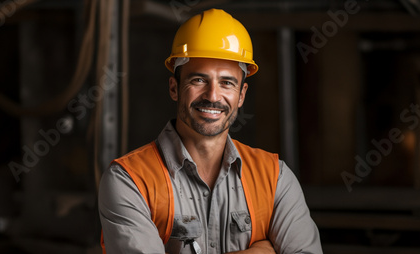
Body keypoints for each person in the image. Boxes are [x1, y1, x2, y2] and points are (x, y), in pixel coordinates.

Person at [99, 8, 322, 254]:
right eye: (198, 80)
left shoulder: (274, 178)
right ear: (174, 88)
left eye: (227, 83)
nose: (213, 96)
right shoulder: (131, 180)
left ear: (241, 95)